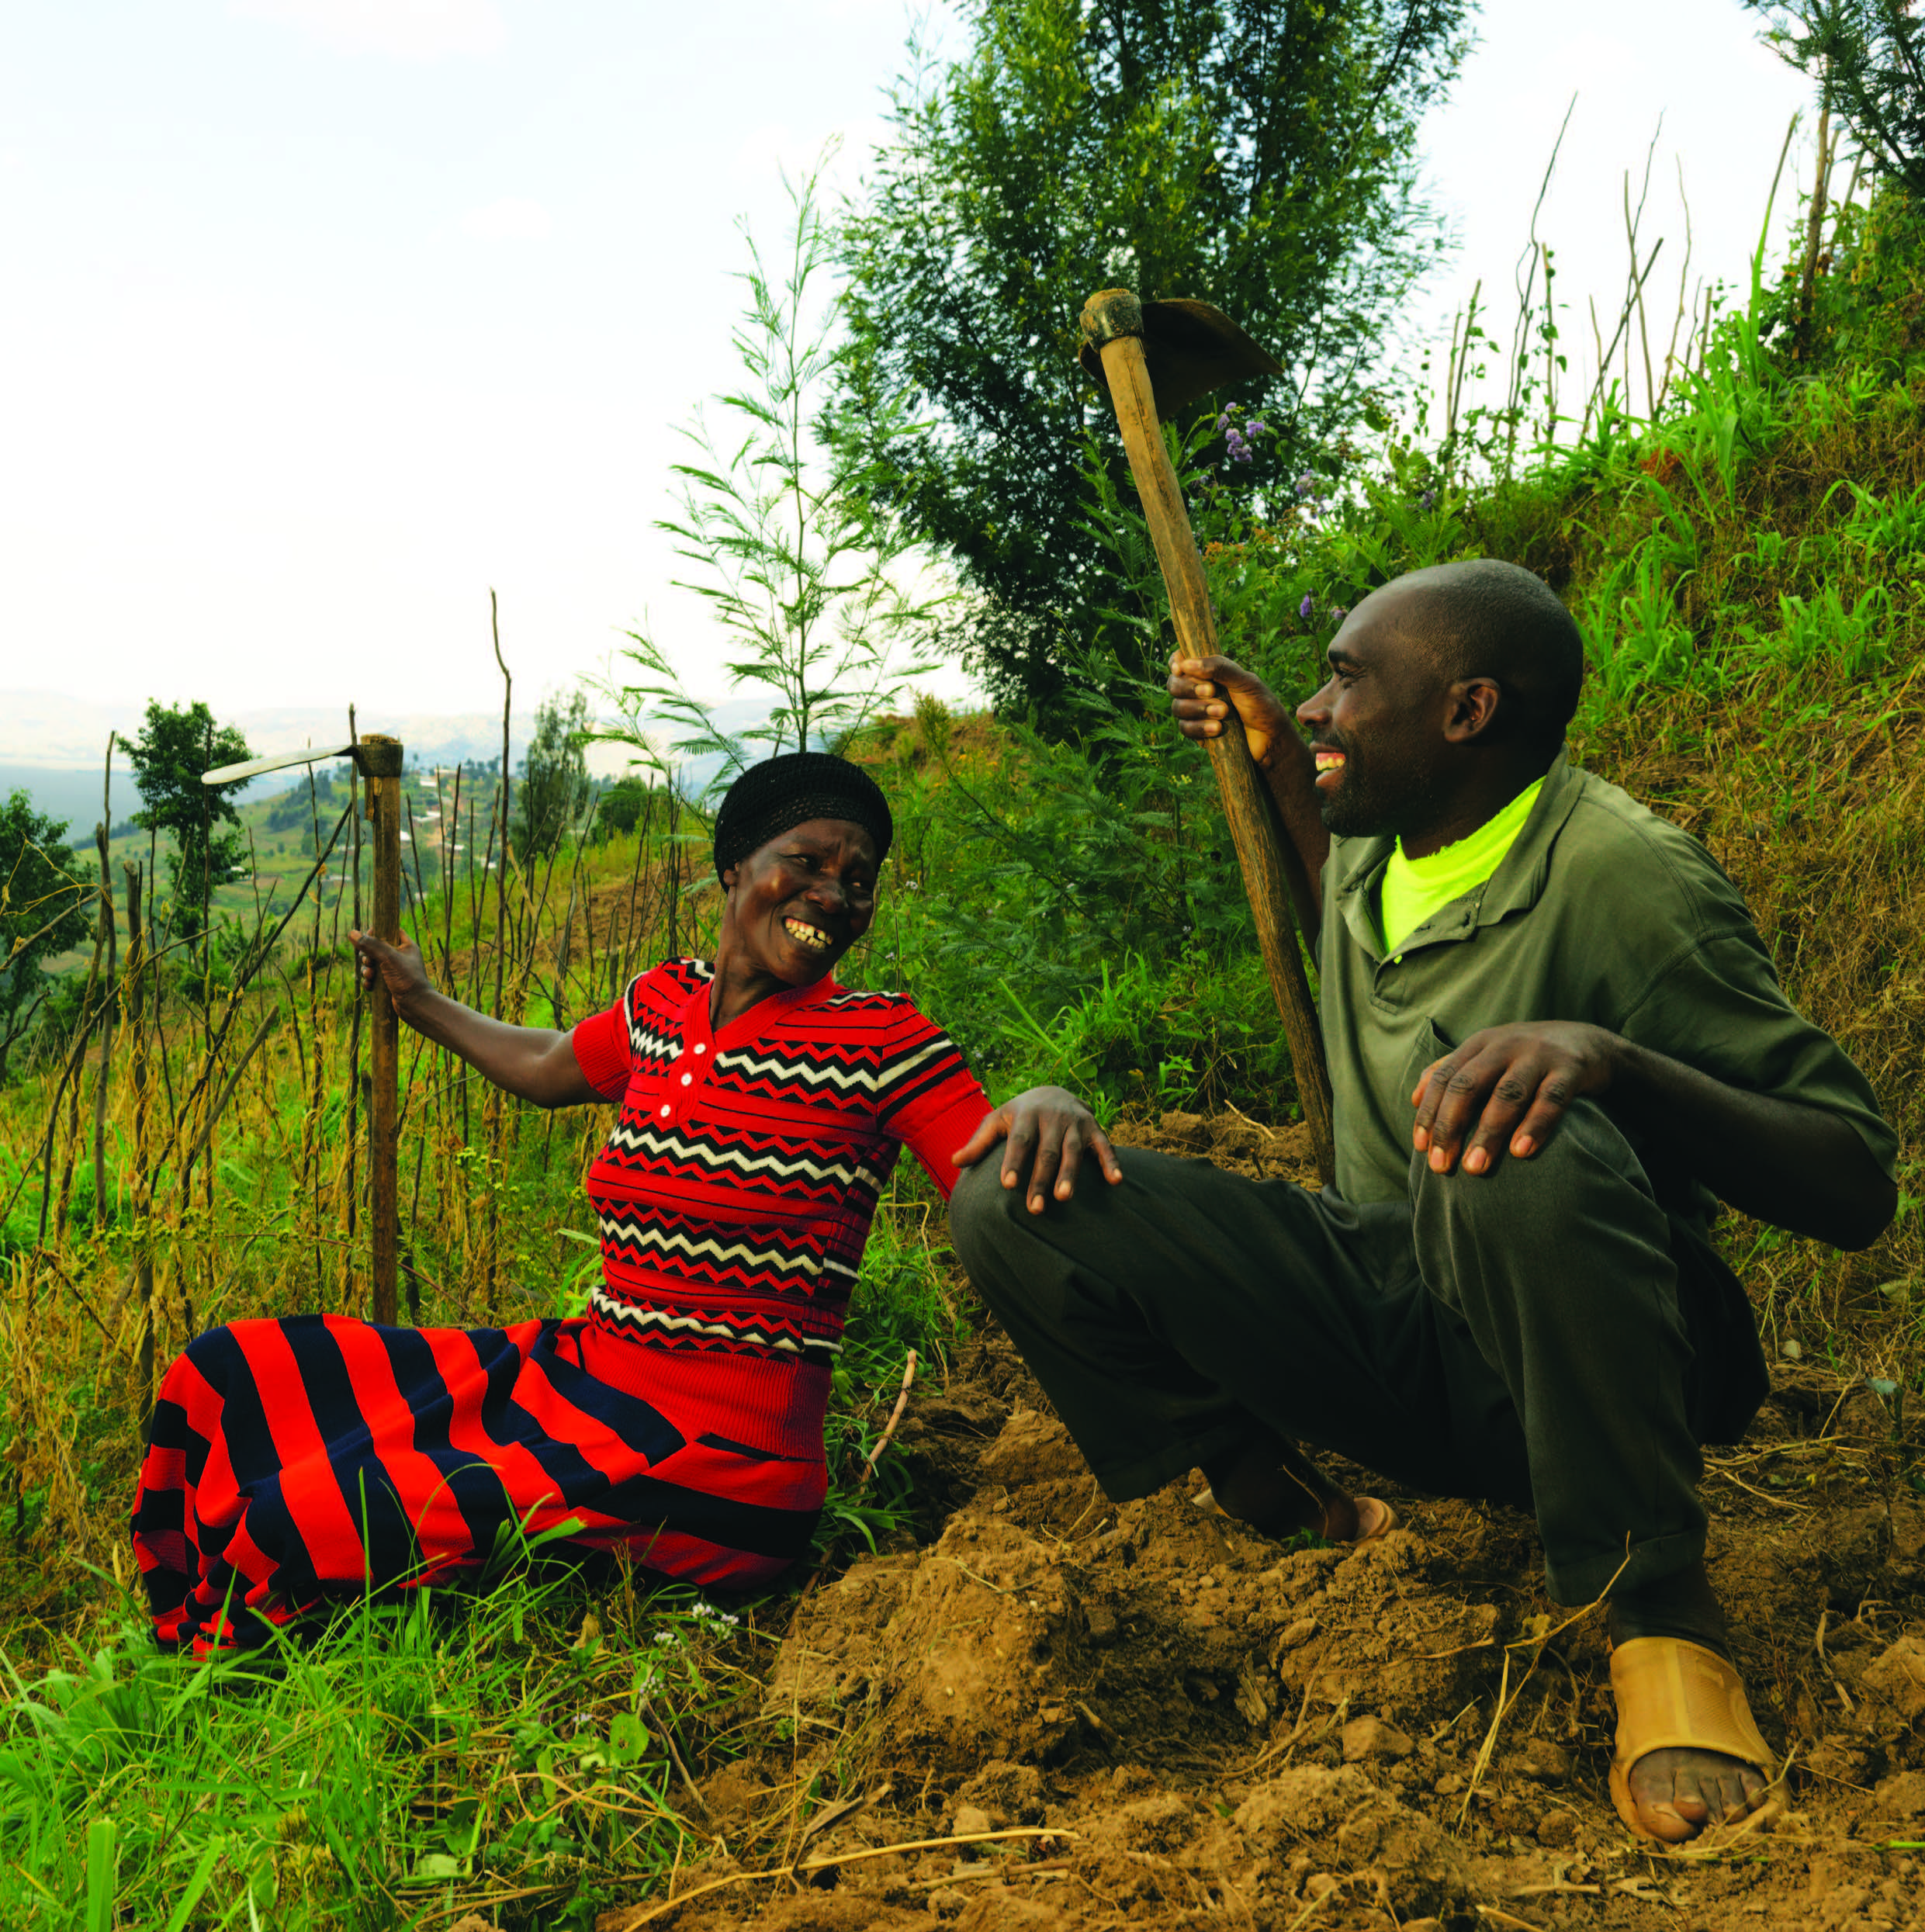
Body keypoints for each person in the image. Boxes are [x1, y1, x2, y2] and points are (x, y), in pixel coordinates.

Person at [947, 559, 1899, 1847]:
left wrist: (1609, 1062)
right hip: (1395, 1328)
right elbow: (1321, 857)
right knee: (1012, 1190)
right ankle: (1287, 1503)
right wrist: (1283, 750)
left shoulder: (1624, 876)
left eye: (1348, 680)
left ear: (1466, 715)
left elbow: (1848, 1177)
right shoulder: (1377, 832)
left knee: (1501, 1129)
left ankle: (1659, 1617)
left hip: (1597, 1346)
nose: (1324, 706)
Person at [130, 753, 1096, 1655]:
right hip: (583, 1370)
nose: (834, 895)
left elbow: (991, 1162)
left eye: (858, 878)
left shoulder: (883, 1040)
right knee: (232, 1373)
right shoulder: (661, 1003)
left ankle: (227, 1649)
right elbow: (552, 1065)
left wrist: (1047, 1103)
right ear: (733, 867)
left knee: (301, 1515)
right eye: (805, 862)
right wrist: (421, 1000)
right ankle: (187, 1604)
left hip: (719, 1457)